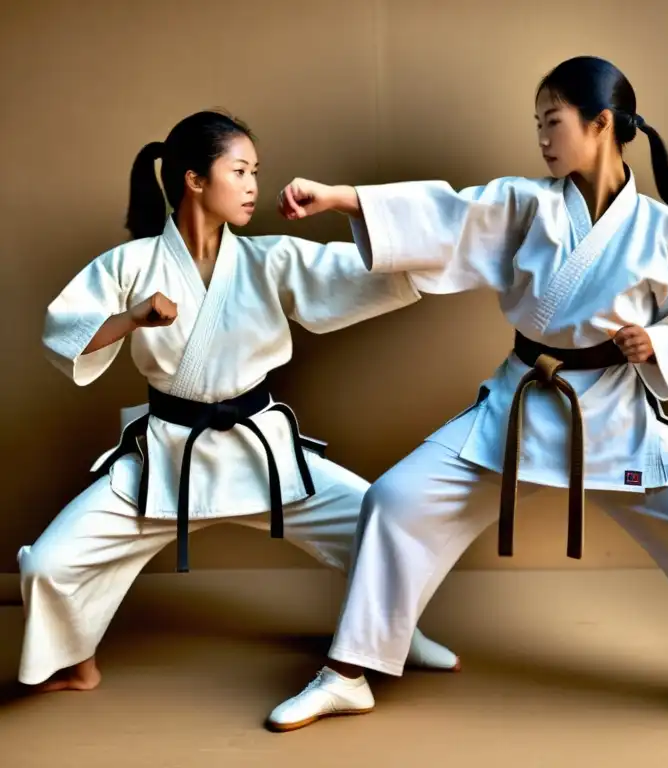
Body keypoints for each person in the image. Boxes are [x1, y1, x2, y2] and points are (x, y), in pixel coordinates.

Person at [264, 57, 668, 738]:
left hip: (615, 416)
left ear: (601, 124)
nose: (542, 138)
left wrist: (653, 344)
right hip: (521, 405)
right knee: (397, 500)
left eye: (553, 121)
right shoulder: (527, 203)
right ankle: (348, 672)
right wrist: (340, 197)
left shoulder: (661, 230)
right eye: (537, 124)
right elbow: (449, 214)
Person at [19, 110, 460, 694]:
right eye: (240, 170)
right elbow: (65, 335)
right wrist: (133, 317)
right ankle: (75, 662)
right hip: (168, 459)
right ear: (195, 180)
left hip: (261, 450)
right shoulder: (132, 264)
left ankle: (395, 635)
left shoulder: (267, 259)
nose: (253, 185)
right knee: (50, 562)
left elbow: (360, 275)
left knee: (386, 524)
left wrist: (363, 212)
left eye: (256, 171)